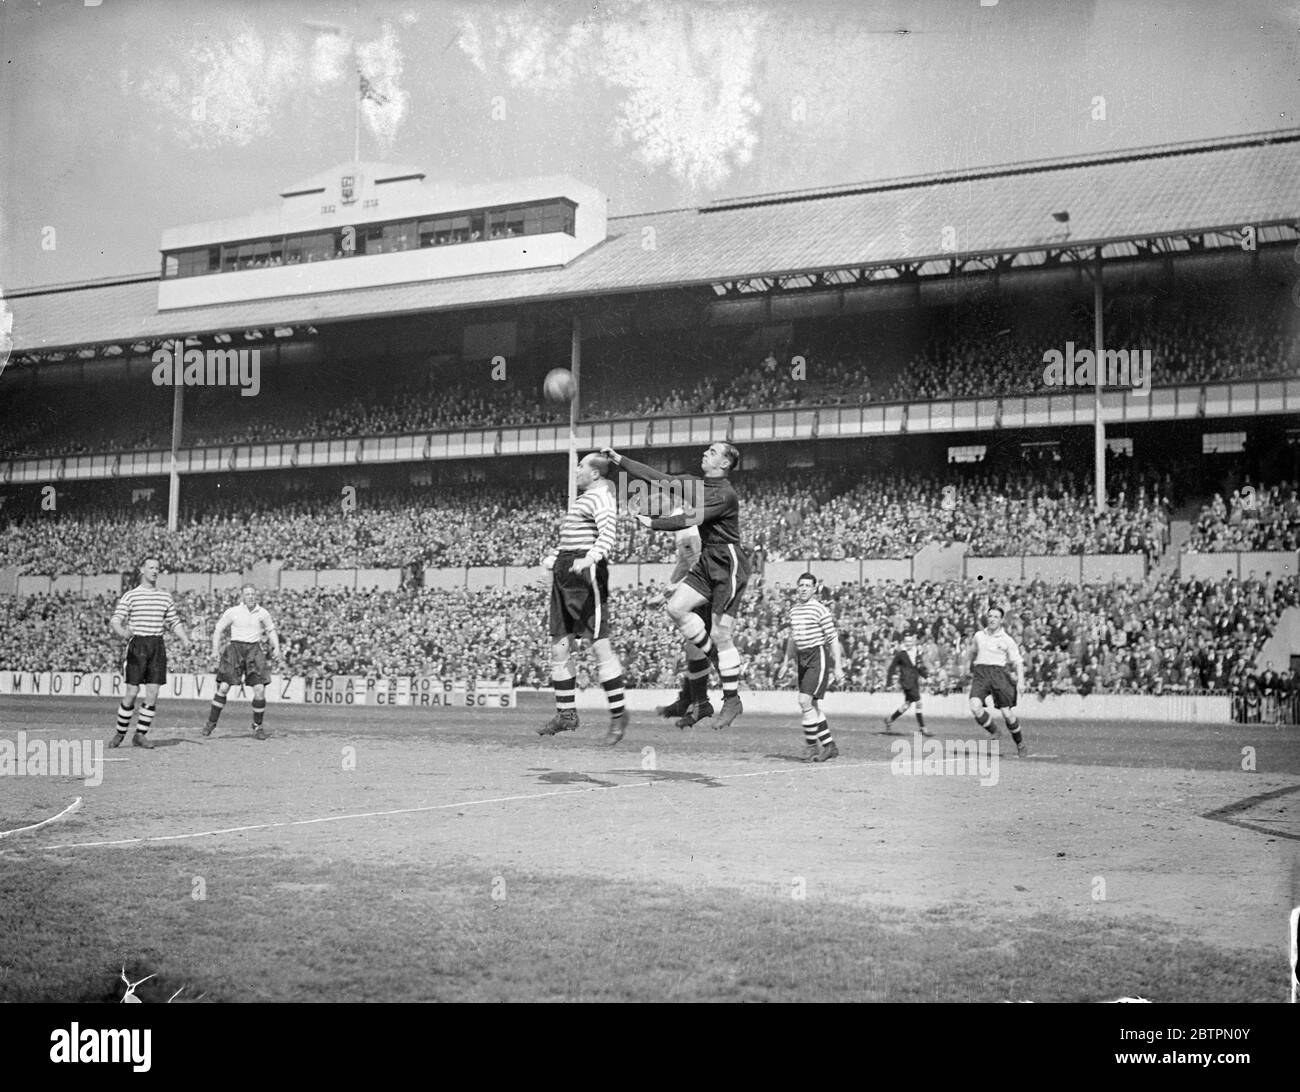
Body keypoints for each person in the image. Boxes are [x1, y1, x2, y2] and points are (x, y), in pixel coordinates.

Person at [602, 441, 749, 731]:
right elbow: (661, 479)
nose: (706, 452)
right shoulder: (698, 485)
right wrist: (621, 461)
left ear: (725, 464)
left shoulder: (725, 494)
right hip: (708, 560)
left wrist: (651, 522)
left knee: (722, 632)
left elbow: (689, 518)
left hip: (728, 564)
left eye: (713, 452)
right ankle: (716, 665)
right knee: (676, 607)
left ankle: (731, 699)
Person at [537, 453, 629, 745]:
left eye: (580, 466)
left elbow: (608, 533)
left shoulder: (601, 496)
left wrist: (589, 558)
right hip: (565, 574)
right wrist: (551, 561)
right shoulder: (583, 500)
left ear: (595, 474)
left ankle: (618, 714)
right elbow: (569, 541)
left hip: (585, 578)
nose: (575, 470)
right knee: (560, 646)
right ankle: (566, 714)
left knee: (599, 644)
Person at [108, 557, 193, 749]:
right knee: (132, 691)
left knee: (153, 691)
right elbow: (116, 619)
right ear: (142, 570)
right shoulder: (131, 595)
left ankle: (140, 735)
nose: (154, 571)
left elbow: (174, 622)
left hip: (157, 644)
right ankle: (120, 733)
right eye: (151, 567)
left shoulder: (164, 596)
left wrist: (185, 638)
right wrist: (123, 632)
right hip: (138, 644)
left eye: (157, 568)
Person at [652, 523, 717, 727]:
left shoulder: (693, 528)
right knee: (692, 648)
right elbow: (683, 563)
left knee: (696, 648)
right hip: (697, 589)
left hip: (706, 591)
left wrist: (671, 590)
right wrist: (664, 593)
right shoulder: (680, 528)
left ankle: (700, 703)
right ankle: (688, 700)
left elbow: (702, 567)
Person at [777, 573, 844, 761]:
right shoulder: (794, 610)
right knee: (811, 704)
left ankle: (812, 747)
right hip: (802, 658)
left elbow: (833, 639)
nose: (804, 588)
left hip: (817, 656)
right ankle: (829, 746)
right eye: (801, 585)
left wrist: (838, 666)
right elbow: (792, 638)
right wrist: (785, 662)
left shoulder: (820, 610)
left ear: (814, 589)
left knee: (804, 701)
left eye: (808, 585)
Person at [203, 584, 282, 740]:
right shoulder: (233, 612)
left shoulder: (263, 613)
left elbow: (271, 630)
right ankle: (211, 723)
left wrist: (277, 648)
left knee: (259, 689)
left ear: (256, 595)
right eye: (247, 594)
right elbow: (218, 629)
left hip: (254, 650)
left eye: (253, 594)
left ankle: (258, 726)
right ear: (242, 596)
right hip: (235, 650)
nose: (251, 596)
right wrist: (214, 649)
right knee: (224, 687)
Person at [967, 606, 1028, 756]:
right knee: (975, 706)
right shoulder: (979, 636)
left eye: (995, 617)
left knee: (1007, 713)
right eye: (990, 616)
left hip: (998, 674)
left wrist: (1021, 682)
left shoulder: (1007, 640)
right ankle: (994, 731)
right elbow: (972, 651)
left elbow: (1018, 662)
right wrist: (968, 666)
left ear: (1001, 620)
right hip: (981, 673)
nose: (992, 619)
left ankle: (1020, 743)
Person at [882, 632, 932, 737]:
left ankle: (890, 720)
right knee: (919, 702)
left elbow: (919, 667)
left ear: (913, 641)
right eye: (906, 641)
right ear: (904, 642)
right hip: (907, 683)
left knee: (907, 705)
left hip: (914, 682)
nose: (908, 643)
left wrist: (927, 676)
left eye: (910, 641)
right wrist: (888, 683)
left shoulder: (917, 652)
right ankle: (922, 727)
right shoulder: (901, 654)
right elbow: (891, 668)